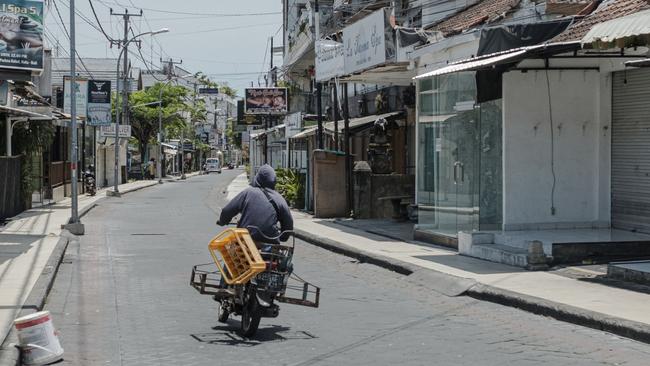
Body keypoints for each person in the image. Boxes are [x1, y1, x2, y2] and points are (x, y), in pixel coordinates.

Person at [217, 164, 293, 244]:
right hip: (270, 243)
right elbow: (288, 224)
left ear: (258, 179)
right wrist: (283, 237)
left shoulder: (248, 192)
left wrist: (222, 221)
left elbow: (227, 211)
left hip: (246, 241)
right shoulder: (280, 199)